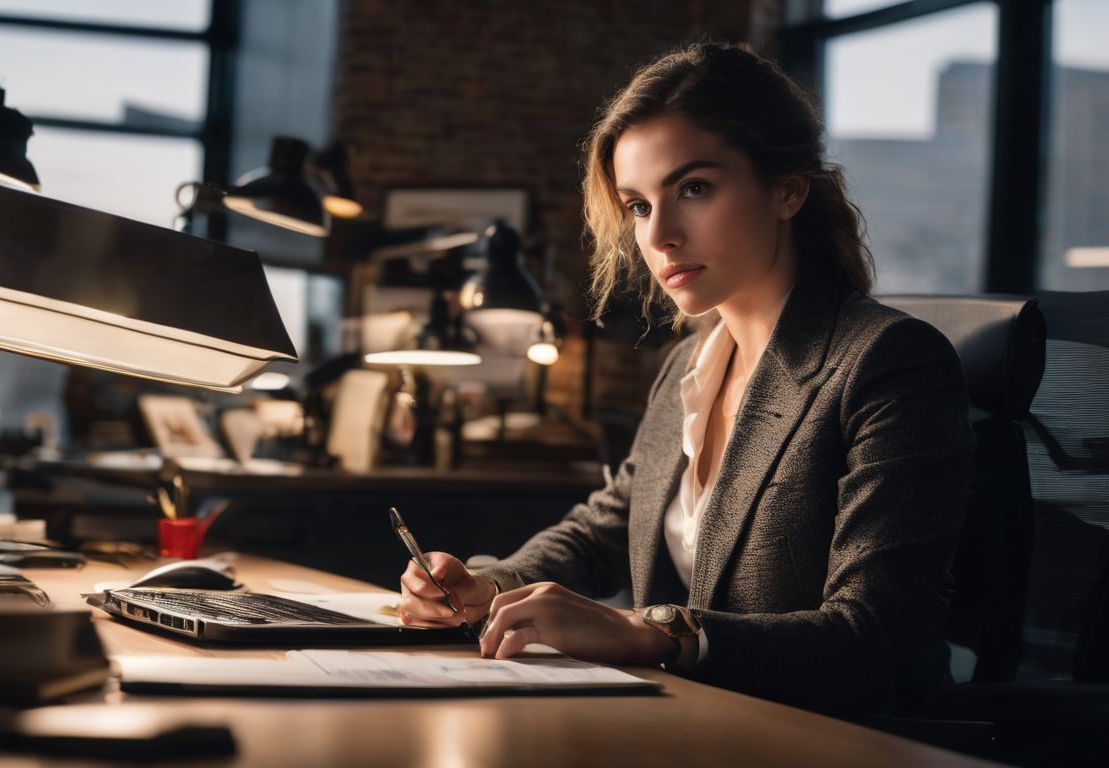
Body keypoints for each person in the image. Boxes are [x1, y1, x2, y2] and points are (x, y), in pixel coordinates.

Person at [398, 40, 975, 718]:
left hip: (835, 741)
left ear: (787, 190)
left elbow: (868, 639)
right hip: (695, 724)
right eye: (638, 205)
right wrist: (490, 584)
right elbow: (603, 529)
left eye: (693, 189)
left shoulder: (889, 361)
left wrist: (651, 631)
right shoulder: (692, 362)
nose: (661, 234)